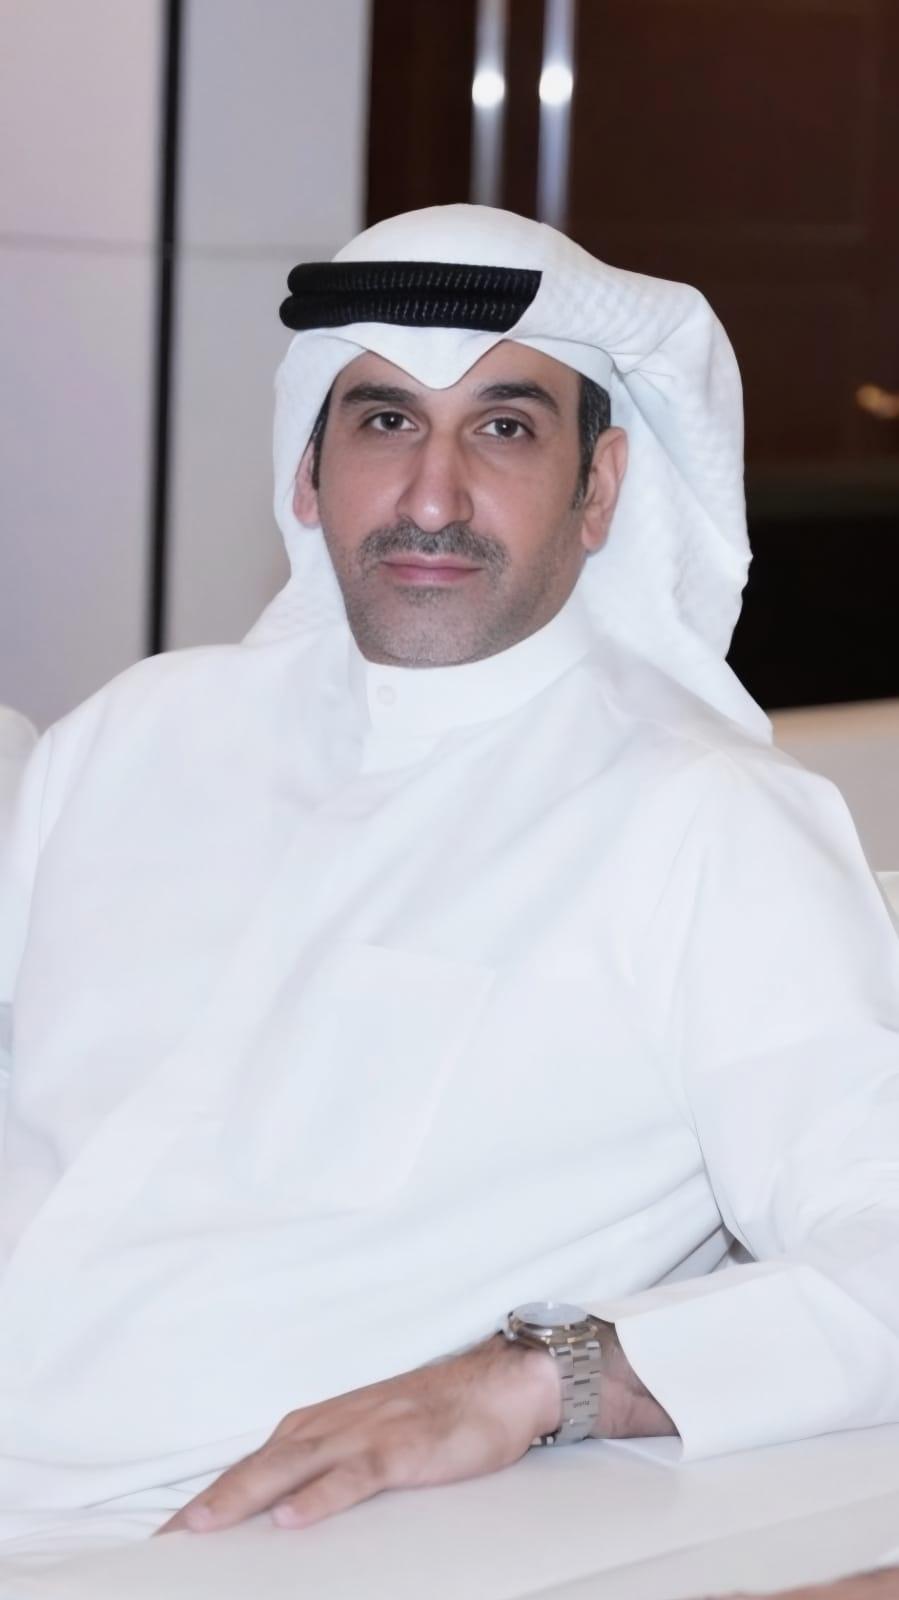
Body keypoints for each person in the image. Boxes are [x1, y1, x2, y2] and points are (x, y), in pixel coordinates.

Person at [0, 205, 897, 1575]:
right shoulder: (132, 738)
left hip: (201, 1545)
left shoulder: (704, 822)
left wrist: (545, 1378)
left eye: (505, 428)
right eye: (385, 423)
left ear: (601, 489)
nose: (432, 498)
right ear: (309, 471)